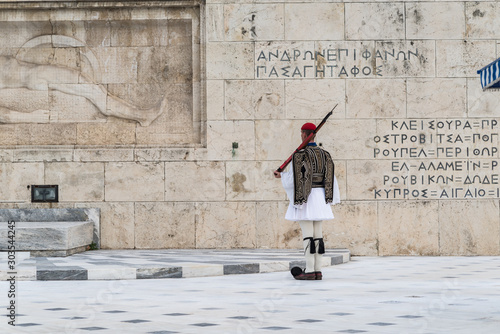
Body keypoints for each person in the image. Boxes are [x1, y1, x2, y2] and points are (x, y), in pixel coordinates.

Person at [274, 122, 340, 280]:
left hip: (306, 197)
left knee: (308, 235)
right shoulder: (326, 154)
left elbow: (294, 180)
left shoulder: (300, 155)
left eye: (301, 133)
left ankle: (310, 270)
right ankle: (317, 270)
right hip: (321, 197)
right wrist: (329, 198)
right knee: (318, 235)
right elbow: (332, 179)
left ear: (304, 134)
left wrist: (281, 175)